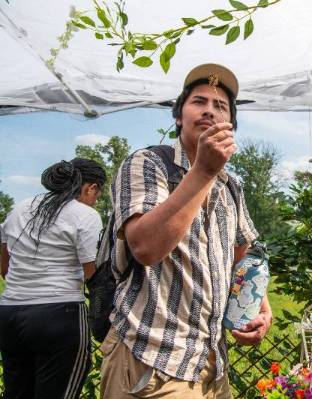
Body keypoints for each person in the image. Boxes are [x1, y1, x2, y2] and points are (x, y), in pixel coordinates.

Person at [100, 63, 272, 398]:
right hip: (151, 361)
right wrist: (204, 170)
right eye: (199, 102)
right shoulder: (147, 164)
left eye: (220, 106)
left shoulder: (231, 185)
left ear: (230, 126)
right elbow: (145, 247)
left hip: (211, 365)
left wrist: (258, 309)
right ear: (179, 116)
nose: (210, 110)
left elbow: (245, 254)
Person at [0, 158, 106, 399]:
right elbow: (93, 275)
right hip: (59, 315)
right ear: (90, 188)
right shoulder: (85, 215)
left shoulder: (19, 208)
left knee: (16, 393)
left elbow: (4, 267)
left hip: (9, 314)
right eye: (97, 195)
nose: (95, 201)